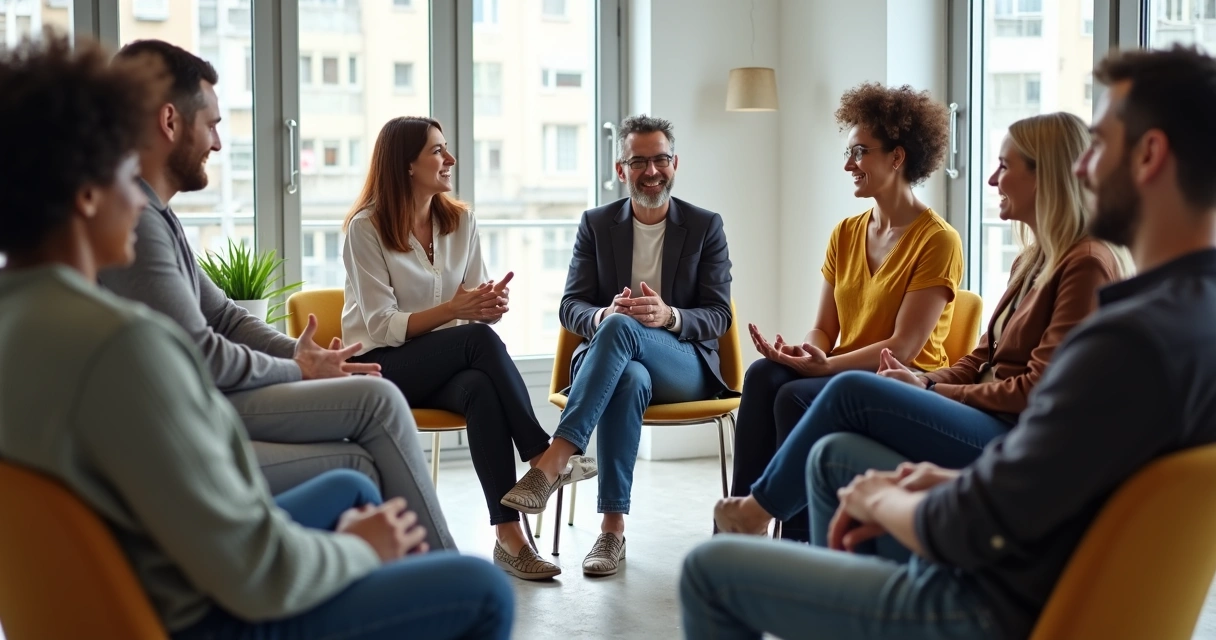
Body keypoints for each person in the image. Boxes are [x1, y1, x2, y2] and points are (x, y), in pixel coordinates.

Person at [680, 45, 1216, 640]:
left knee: (709, 571)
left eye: (1099, 146)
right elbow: (1055, 465)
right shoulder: (1188, 317)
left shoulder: (1125, 336)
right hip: (1036, 555)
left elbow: (974, 524)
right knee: (829, 451)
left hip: (996, 597)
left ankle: (761, 523)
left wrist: (887, 502)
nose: (1085, 170)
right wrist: (938, 437)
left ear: (1149, 155)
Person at [0, 33, 512, 640]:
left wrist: (299, 358)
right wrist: (358, 551)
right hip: (201, 613)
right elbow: (256, 571)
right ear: (87, 193)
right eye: (124, 169)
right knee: (483, 591)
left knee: (349, 482)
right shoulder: (126, 347)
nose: (137, 194)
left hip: (135, 581)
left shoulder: (19, 314)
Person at [95, 40, 456, 552]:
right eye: (213, 124)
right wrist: (299, 370)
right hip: (182, 420)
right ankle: (442, 577)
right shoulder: (132, 220)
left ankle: (413, 584)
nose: (219, 144)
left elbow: (222, 316)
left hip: (198, 404)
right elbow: (200, 352)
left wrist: (298, 352)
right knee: (377, 403)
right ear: (170, 121)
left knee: (363, 452)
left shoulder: (156, 214)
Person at [715, 112, 1133, 544]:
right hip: (979, 410)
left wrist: (930, 390)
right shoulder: (1033, 260)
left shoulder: (1085, 264)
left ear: (1047, 177)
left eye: (1004, 167)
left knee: (849, 391)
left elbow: (1035, 393)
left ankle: (760, 514)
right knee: (772, 381)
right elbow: (980, 358)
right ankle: (771, 541)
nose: (991, 180)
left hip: (1014, 435)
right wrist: (921, 381)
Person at [342, 115, 595, 580]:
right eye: (437, 151)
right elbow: (379, 324)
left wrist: (488, 306)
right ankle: (542, 457)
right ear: (406, 166)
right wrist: (463, 314)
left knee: (480, 385)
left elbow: (472, 310)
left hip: (443, 360)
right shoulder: (366, 228)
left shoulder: (460, 221)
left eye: (446, 148)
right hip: (379, 364)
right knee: (476, 341)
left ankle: (509, 537)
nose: (450, 159)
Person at [499, 114, 732, 576]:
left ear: (675, 162)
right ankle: (612, 531)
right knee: (625, 372)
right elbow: (571, 306)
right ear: (621, 168)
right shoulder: (596, 224)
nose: (651, 171)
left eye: (661, 159)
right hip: (616, 365)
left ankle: (554, 461)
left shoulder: (705, 227)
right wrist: (603, 314)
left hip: (682, 365)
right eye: (639, 161)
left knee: (625, 333)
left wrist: (669, 316)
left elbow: (719, 315)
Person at [730, 82, 962, 541]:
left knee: (790, 397)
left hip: (900, 382)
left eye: (860, 152)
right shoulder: (845, 233)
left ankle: (796, 540)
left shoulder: (938, 240)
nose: (848, 165)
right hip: (840, 370)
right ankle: (738, 528)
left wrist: (826, 365)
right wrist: (803, 354)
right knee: (763, 375)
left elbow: (904, 347)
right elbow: (823, 328)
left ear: (897, 157)